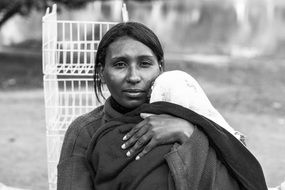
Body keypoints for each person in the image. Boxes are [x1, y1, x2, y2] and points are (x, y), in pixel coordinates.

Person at [57, 22, 267, 190]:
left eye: (144, 64)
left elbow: (238, 171)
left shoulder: (190, 116)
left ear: (160, 67)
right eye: (120, 64)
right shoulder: (84, 132)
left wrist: (186, 133)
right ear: (102, 72)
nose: (133, 77)